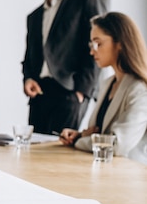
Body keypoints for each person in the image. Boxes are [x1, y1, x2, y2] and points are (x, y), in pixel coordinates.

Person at [22, 0, 107, 134]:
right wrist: (28, 78)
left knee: (60, 156)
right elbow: (29, 56)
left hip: (70, 93)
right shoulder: (34, 17)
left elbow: (100, 45)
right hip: (39, 96)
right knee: (34, 156)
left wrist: (82, 92)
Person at [59, 12, 147, 165]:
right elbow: (99, 133)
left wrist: (79, 141)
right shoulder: (107, 84)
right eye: (91, 44)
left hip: (128, 177)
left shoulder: (140, 90)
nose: (92, 51)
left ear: (120, 43)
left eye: (98, 43)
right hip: (102, 170)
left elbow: (116, 145)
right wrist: (79, 135)